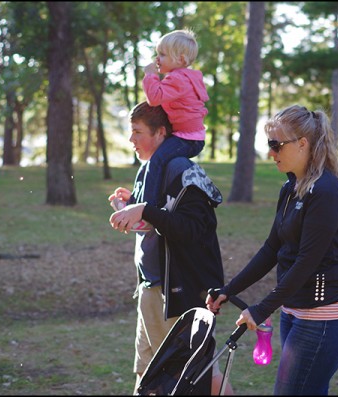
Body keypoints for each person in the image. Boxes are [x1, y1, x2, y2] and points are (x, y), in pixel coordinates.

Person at [206, 104, 338, 395]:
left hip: (324, 318)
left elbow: (307, 262)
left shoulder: (326, 191)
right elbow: (272, 247)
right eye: (269, 144)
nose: (271, 153)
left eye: (276, 145)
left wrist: (262, 308)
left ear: (303, 144)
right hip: (295, 311)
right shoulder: (291, 188)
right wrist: (230, 288)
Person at [108, 102, 232, 395]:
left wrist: (144, 209)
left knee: (195, 376)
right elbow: (149, 224)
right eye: (131, 132)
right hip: (149, 290)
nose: (132, 140)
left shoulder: (182, 170)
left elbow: (192, 230)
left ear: (161, 133)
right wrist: (128, 209)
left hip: (177, 293)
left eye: (138, 132)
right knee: (147, 373)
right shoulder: (146, 169)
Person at [125, 28, 209, 232]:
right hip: (189, 135)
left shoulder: (177, 78)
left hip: (187, 138)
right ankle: (134, 202)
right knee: (149, 163)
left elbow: (154, 97)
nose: (157, 59)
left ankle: (147, 213)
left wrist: (150, 76)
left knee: (157, 161)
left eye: (162, 54)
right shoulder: (188, 77)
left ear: (180, 59)